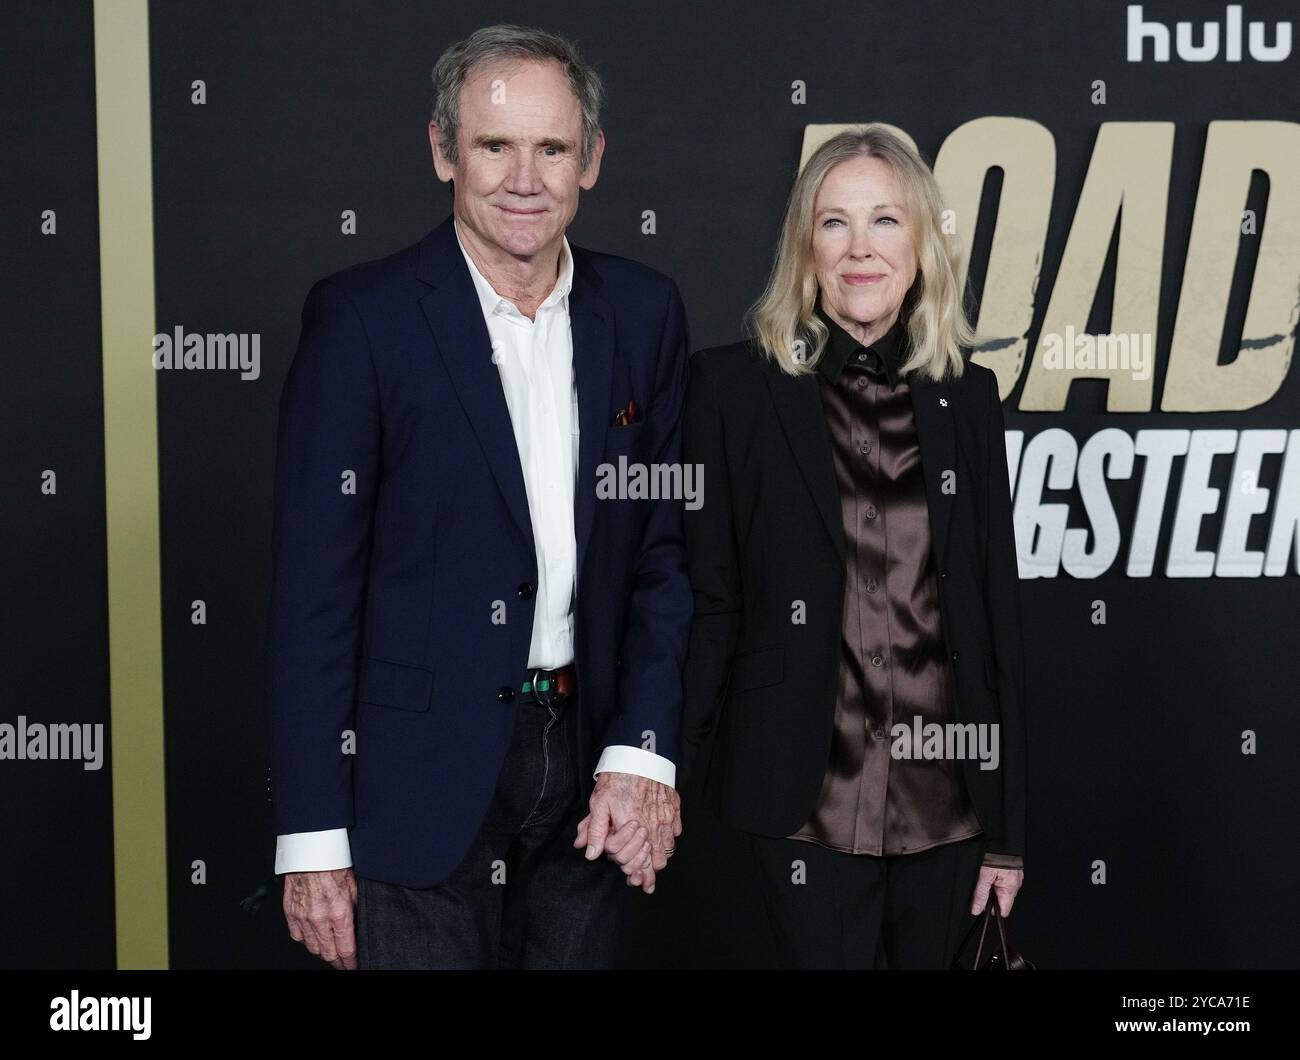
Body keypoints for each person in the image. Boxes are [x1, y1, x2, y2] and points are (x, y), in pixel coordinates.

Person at [265, 24, 691, 970]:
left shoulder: (645, 312)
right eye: (495, 146)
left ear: (592, 161)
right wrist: (312, 839)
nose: (524, 178)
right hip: (411, 788)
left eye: (551, 148)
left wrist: (641, 753)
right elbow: (312, 599)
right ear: (443, 152)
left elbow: (662, 555)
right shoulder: (362, 321)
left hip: (591, 779)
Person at [679, 124, 1027, 969]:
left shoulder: (968, 397)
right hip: (788, 809)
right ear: (804, 246)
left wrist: (1007, 835)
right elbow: (705, 604)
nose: (860, 249)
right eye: (834, 223)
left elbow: (993, 618)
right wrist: (671, 786)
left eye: (885, 222)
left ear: (921, 244)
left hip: (948, 813)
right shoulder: (729, 390)